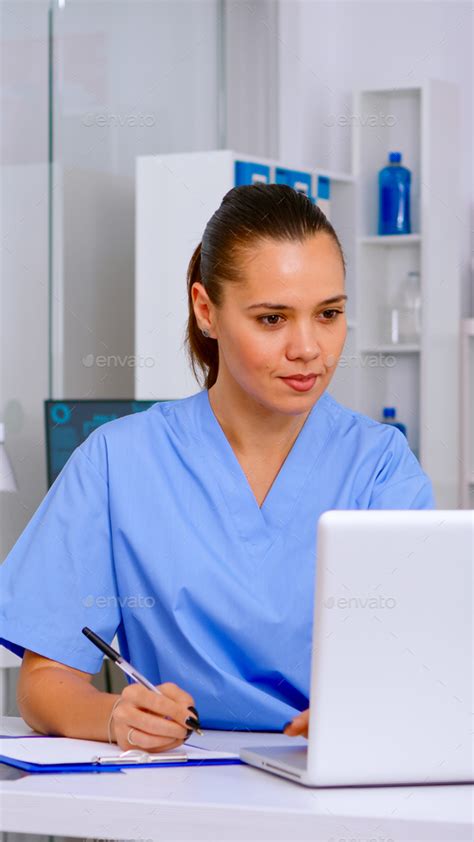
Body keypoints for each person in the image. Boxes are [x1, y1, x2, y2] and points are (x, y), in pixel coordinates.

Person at [0, 184, 434, 753]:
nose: (308, 347)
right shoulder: (119, 462)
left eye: (329, 313)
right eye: (273, 318)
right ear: (207, 310)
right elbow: (44, 682)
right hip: (181, 790)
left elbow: (425, 665)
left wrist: (372, 712)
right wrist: (116, 715)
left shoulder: (379, 467)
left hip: (336, 792)